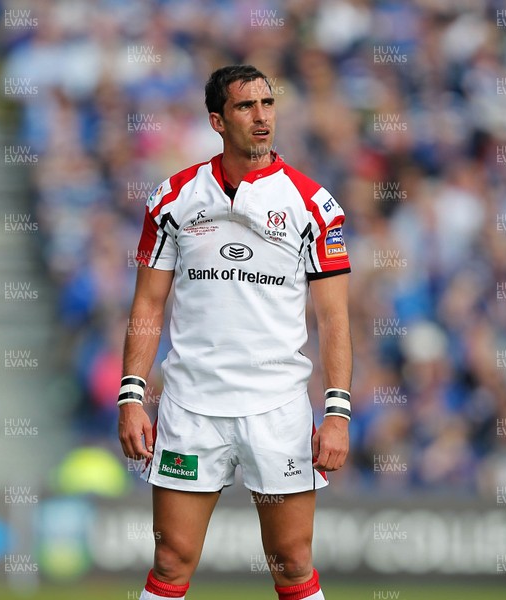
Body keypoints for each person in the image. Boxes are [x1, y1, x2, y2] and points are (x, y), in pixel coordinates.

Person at [118, 64, 352, 600]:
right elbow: (148, 303)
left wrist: (336, 414)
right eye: (246, 107)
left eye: (268, 104)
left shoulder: (312, 205)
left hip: (277, 409)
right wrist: (132, 395)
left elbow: (335, 318)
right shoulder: (173, 199)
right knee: (171, 559)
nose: (262, 116)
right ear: (217, 121)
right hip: (190, 406)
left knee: (292, 563)